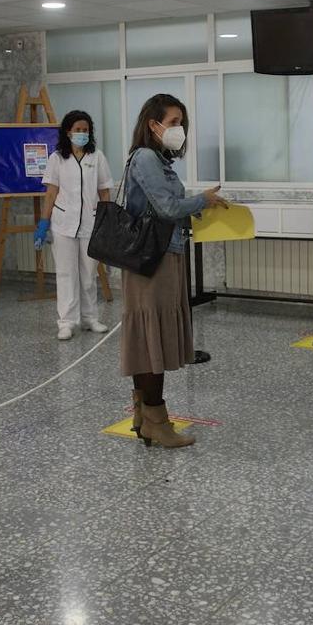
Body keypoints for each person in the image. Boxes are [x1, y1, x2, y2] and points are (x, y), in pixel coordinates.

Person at [121, 93, 227, 448]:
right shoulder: (147, 158)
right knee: (153, 343)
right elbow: (166, 207)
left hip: (160, 255)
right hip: (154, 260)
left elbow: (165, 205)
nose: (179, 129)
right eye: (173, 122)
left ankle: (144, 417)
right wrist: (203, 200)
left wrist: (202, 205)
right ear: (153, 125)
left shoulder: (157, 160)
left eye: (182, 123)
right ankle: (157, 421)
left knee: (149, 342)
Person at [33, 110, 114, 341]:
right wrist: (43, 222)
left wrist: (107, 220)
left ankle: (90, 318)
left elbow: (105, 190)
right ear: (68, 131)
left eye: (85, 130)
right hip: (63, 224)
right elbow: (51, 193)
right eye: (77, 130)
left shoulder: (96, 157)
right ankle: (67, 322)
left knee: (88, 273)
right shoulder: (57, 158)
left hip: (91, 222)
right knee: (66, 274)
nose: (81, 133)